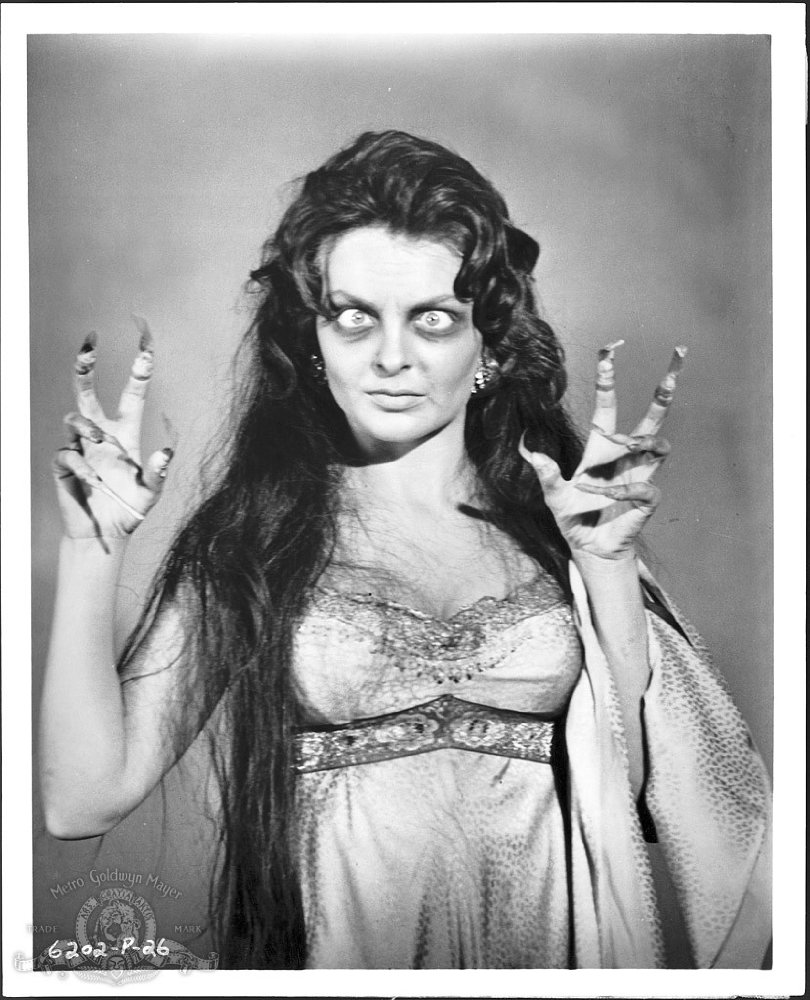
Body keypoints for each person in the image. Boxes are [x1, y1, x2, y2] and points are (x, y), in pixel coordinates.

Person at [41, 130, 771, 970]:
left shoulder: (566, 535)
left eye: (433, 319)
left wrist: (605, 571)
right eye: (355, 318)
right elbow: (82, 802)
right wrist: (90, 548)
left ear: (489, 343)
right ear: (312, 343)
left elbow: (644, 802)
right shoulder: (254, 544)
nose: (393, 357)